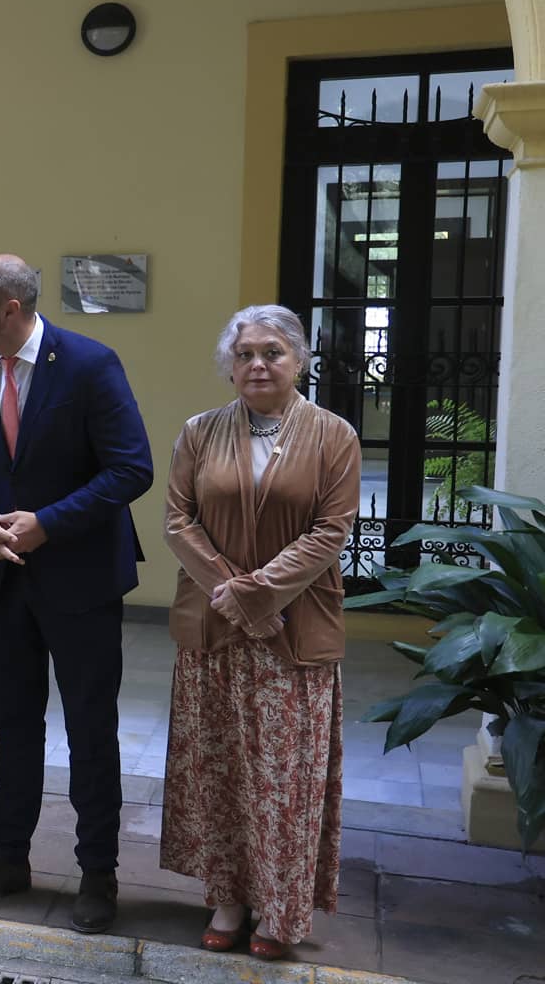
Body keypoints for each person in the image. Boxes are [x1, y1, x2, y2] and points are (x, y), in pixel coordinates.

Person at [0, 254, 153, 934]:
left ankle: (97, 873)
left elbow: (132, 468)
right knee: (13, 724)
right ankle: (8, 859)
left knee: (91, 729)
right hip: (3, 577)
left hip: (82, 576)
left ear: (9, 308)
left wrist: (46, 526)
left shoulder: (89, 364)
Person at [161, 305, 359, 961]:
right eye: (245, 354)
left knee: (283, 780)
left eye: (271, 352)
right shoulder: (199, 432)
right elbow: (178, 522)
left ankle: (279, 912)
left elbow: (330, 532)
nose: (257, 365)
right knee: (220, 777)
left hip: (292, 635)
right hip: (216, 632)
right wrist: (240, 597)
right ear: (230, 363)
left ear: (299, 359)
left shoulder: (334, 436)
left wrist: (259, 592)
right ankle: (228, 899)